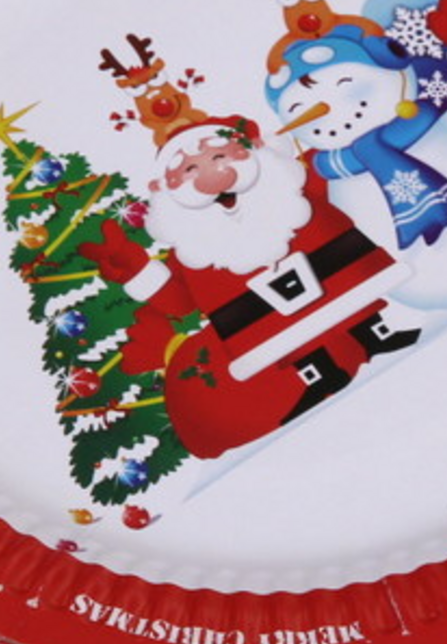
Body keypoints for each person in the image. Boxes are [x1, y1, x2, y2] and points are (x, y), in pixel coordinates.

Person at [80, 115, 418, 458]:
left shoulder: (291, 188)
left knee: (355, 302)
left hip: (338, 273)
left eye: (218, 157)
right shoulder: (191, 246)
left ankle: (376, 335)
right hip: (259, 319)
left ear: (254, 151)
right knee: (289, 343)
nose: (214, 179)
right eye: (191, 170)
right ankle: (319, 376)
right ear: (165, 190)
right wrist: (135, 269)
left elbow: (334, 160)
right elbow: (180, 303)